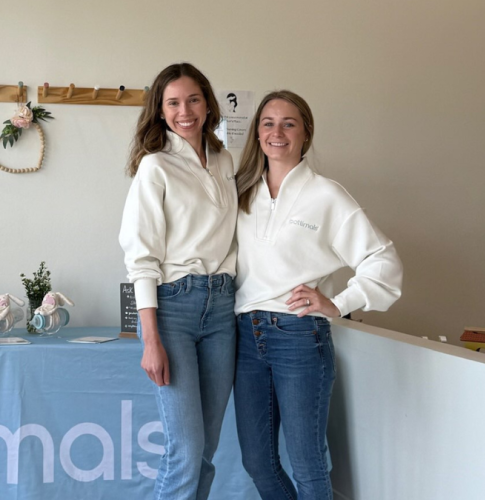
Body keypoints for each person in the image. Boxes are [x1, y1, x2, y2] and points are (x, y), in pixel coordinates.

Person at [233, 90, 403, 499]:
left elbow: (385, 260)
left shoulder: (326, 195)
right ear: (257, 133)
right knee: (257, 462)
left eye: (289, 123)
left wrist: (338, 303)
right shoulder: (241, 193)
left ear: (306, 133)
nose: (278, 132)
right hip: (245, 337)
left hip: (298, 337)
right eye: (268, 123)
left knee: (307, 465)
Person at [119, 62, 237, 499]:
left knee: (206, 448)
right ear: (160, 110)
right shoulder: (156, 166)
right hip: (175, 310)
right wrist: (150, 340)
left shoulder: (225, 160)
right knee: (185, 448)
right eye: (173, 103)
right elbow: (141, 259)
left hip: (223, 310)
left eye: (192, 99)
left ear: (207, 104)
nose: (184, 110)